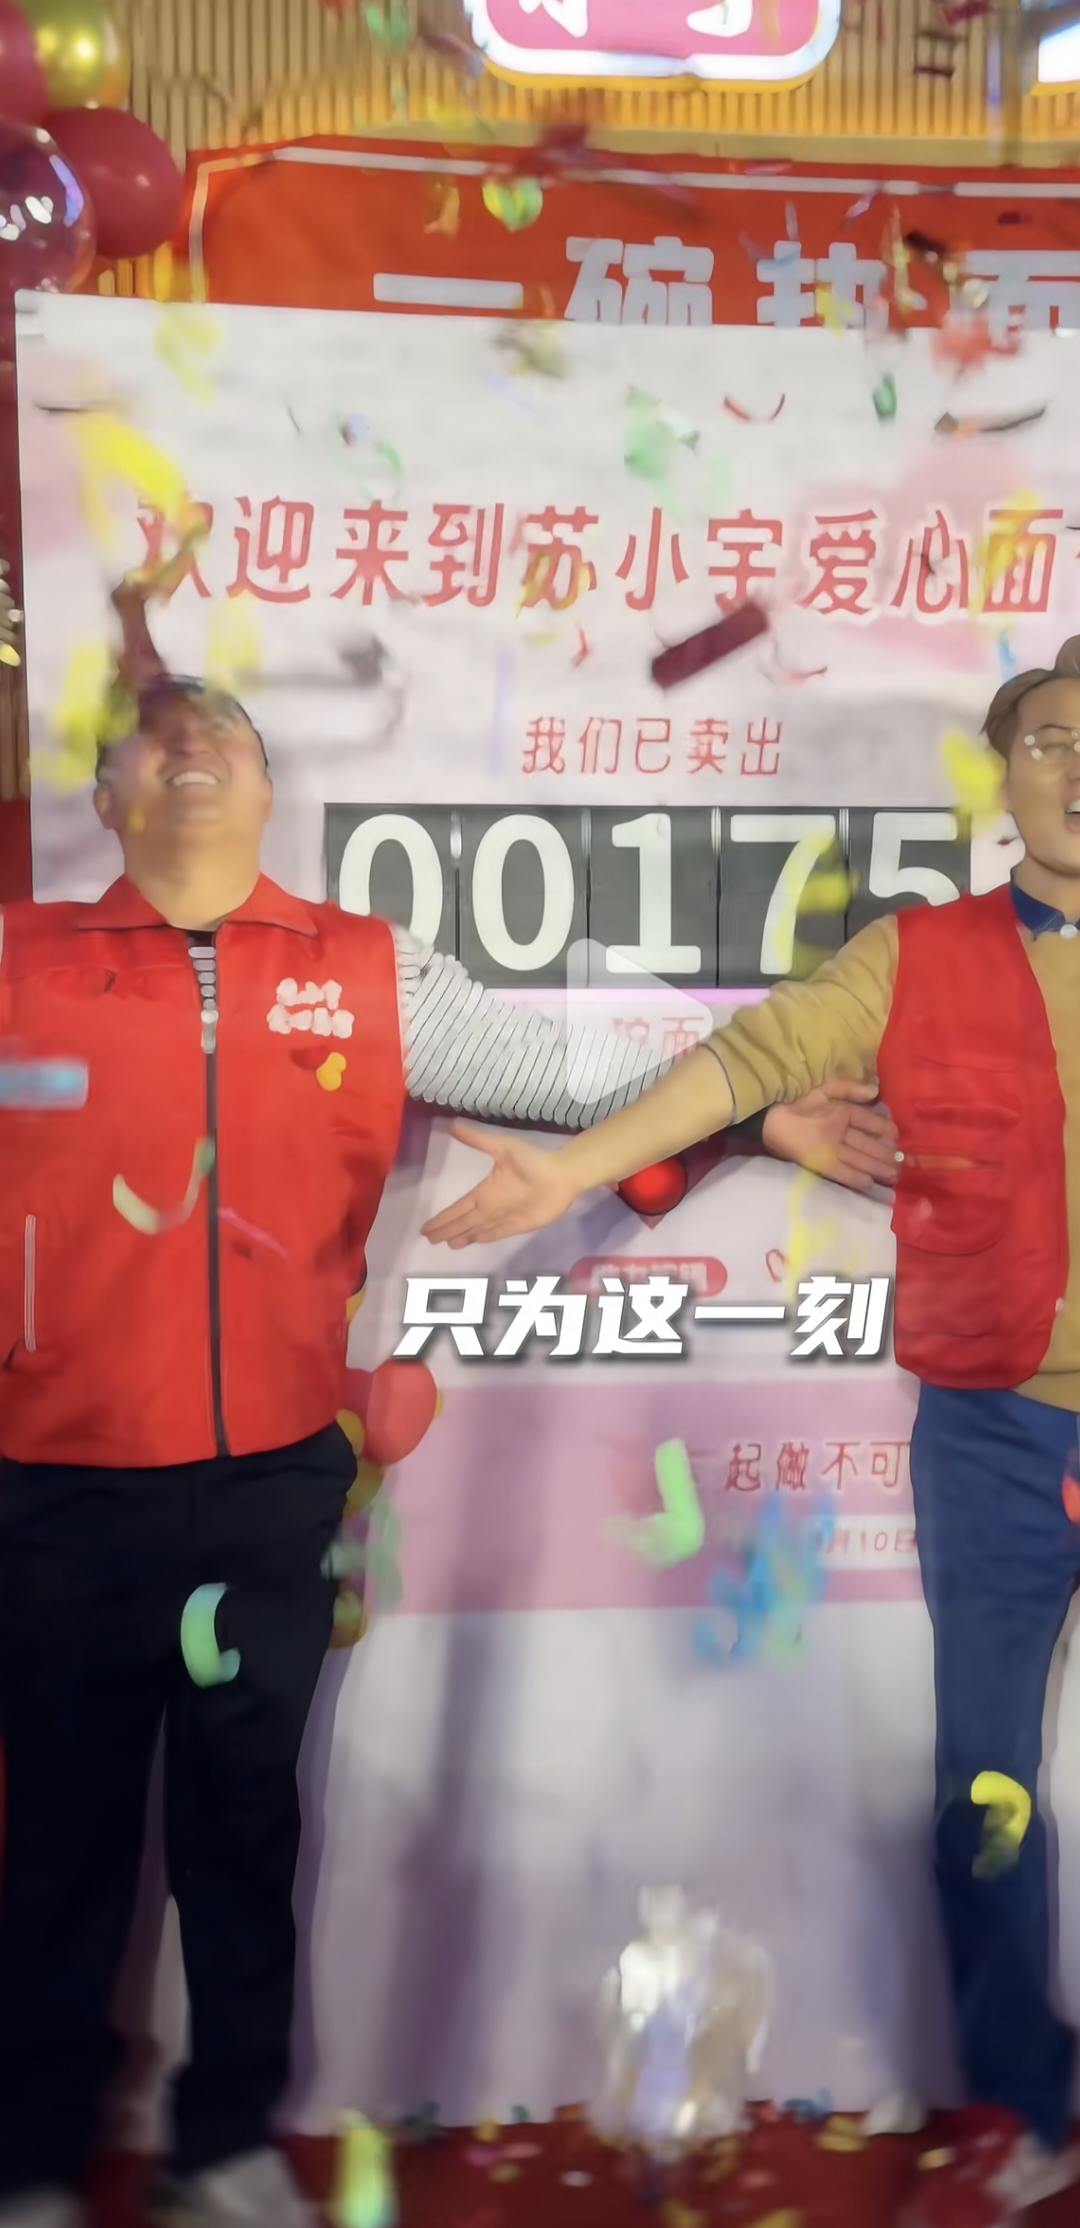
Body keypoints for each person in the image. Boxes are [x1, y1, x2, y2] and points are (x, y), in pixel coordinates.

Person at [0, 672, 888, 2228]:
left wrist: (756, 1121)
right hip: (60, 1485)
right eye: (156, 746)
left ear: (266, 791)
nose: (192, 759)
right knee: (60, 1840)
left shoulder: (366, 967)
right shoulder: (21, 966)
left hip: (274, 1481)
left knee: (241, 1830)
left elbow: (570, 1087)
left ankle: (223, 2145)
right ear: (107, 798)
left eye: (224, 743)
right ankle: (30, 2161)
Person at [427, 632, 1080, 2228]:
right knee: (985, 1800)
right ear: (1008, 773)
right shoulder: (914, 955)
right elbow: (745, 1062)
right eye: (1050, 739)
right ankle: (1016, 2112)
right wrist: (577, 1166)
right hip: (990, 1438)